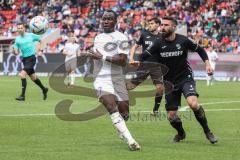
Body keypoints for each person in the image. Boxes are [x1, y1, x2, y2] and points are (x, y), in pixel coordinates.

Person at [144, 16, 218, 144]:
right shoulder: (157, 43)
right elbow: (145, 55)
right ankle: (181, 133)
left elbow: (200, 50)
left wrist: (207, 64)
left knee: (193, 103)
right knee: (171, 115)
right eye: (162, 25)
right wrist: (135, 61)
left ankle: (208, 132)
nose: (163, 27)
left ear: (173, 27)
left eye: (166, 25)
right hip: (169, 82)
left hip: (185, 77)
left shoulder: (183, 41)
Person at [88, 10, 140, 151]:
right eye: (104, 19)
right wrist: (92, 56)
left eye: (109, 19)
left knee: (125, 113)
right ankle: (131, 141)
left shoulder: (121, 37)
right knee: (111, 106)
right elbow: (96, 56)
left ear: (115, 21)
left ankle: (120, 128)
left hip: (116, 77)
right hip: (101, 78)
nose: (106, 21)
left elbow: (123, 61)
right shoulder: (97, 37)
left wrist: (102, 57)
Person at [127, 17, 164, 116]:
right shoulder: (144, 34)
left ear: (157, 25)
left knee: (160, 88)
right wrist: (131, 58)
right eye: (149, 23)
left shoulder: (162, 37)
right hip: (144, 65)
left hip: (156, 66)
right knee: (130, 86)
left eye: (152, 23)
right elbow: (134, 46)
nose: (149, 25)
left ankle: (155, 110)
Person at [12, 22, 48, 101]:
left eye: (21, 28)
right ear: (17, 29)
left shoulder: (31, 35)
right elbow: (16, 52)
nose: (20, 29)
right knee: (33, 77)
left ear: (24, 28)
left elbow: (41, 40)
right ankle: (44, 89)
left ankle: (22, 96)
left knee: (22, 74)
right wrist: (14, 51)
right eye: (18, 28)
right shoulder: (17, 39)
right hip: (24, 60)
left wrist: (40, 50)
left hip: (31, 58)